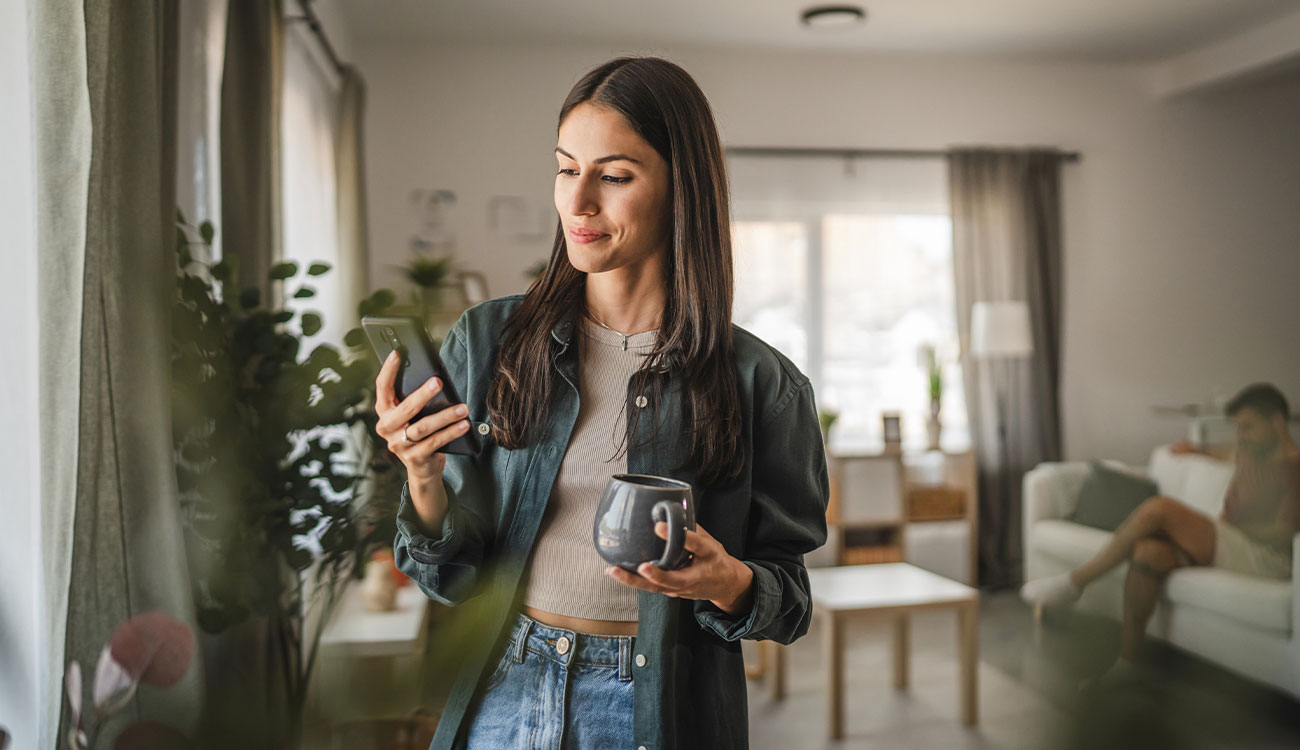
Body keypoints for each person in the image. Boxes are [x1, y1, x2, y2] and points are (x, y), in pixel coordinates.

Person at [373, 56, 829, 750]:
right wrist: (423, 477)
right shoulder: (490, 340)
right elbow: (449, 579)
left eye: (614, 176)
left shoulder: (762, 383)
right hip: (506, 685)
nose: (578, 201)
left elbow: (789, 603)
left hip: (653, 708)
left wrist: (728, 580)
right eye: (566, 168)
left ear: (682, 190)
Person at [1021, 383, 1300, 686]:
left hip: (1265, 558)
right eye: (1237, 428)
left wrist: (1232, 529)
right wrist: (1195, 450)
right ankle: (1127, 664)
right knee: (1147, 553)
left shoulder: (1294, 468)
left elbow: (1284, 534)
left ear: (1277, 421)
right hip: (1232, 543)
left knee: (1161, 510)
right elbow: (1224, 451)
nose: (1241, 436)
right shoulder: (1250, 451)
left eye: (1248, 427)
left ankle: (1076, 582)